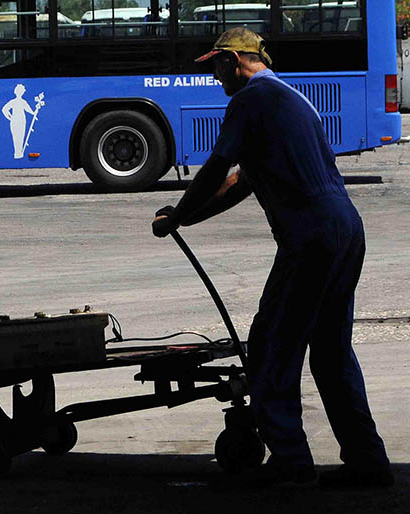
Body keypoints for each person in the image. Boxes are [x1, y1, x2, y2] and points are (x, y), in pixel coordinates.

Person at [151, 27, 392, 488]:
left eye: (217, 66)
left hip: (310, 235)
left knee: (271, 344)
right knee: (331, 351)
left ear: (233, 61)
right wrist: (184, 219)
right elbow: (240, 183)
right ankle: (368, 462)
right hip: (345, 228)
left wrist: (178, 213)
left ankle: (291, 463)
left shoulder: (250, 100)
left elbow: (217, 168)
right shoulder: (293, 100)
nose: (215, 77)